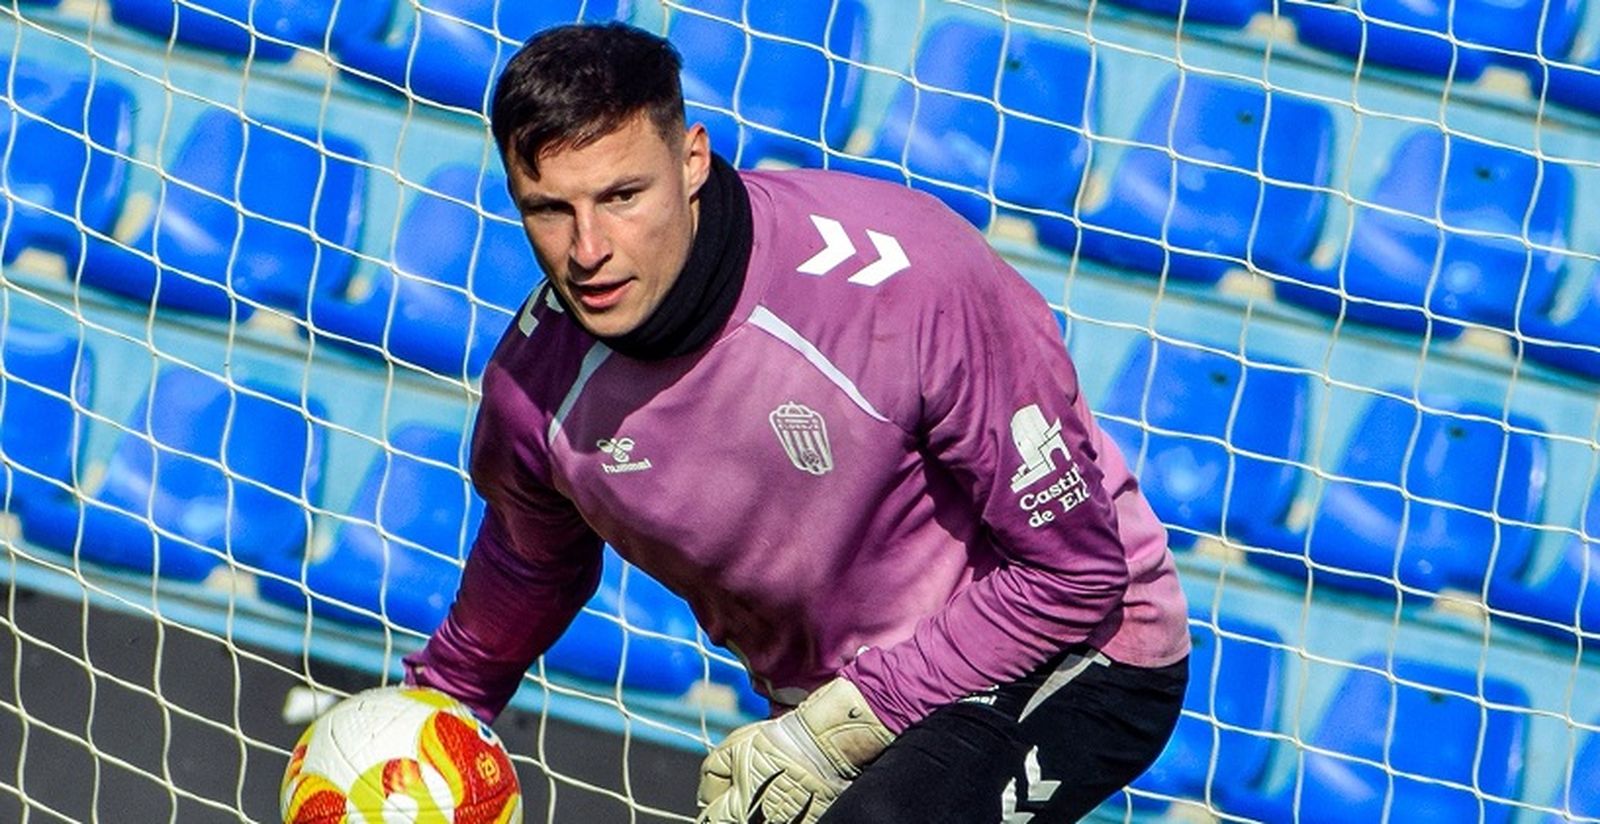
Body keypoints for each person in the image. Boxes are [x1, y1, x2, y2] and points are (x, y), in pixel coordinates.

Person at [403, 21, 1191, 823]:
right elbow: (531, 563)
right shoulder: (533, 390)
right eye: (550, 210)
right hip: (837, 713)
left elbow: (1076, 576)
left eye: (622, 196)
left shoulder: (908, 280)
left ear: (692, 160)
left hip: (1080, 647)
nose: (590, 248)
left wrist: (843, 726)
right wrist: (431, 715)